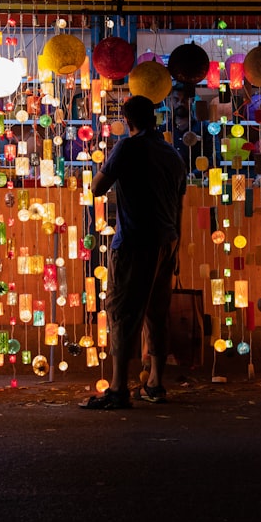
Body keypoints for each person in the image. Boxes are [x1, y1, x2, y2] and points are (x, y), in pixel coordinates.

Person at [79, 95, 188, 410]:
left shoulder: (127, 148)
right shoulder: (172, 154)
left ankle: (118, 389)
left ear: (127, 121)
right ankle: (155, 383)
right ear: (154, 118)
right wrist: (176, 245)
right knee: (157, 313)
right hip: (166, 241)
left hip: (135, 242)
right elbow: (179, 204)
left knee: (123, 312)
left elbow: (98, 187)